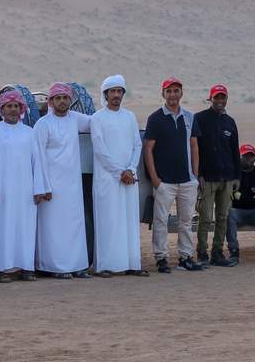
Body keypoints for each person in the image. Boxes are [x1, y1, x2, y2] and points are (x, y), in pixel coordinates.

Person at [0, 90, 50, 281]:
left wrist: (39, 188)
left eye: (16, 106)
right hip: (2, 191)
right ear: (2, 109)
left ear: (21, 109)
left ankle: (26, 267)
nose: (13, 110)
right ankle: (4, 269)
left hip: (26, 191)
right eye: (9, 106)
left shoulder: (29, 133)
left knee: (26, 228)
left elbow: (37, 162)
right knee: (4, 228)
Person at [143, 77, 204, 273]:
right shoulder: (155, 118)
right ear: (163, 94)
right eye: (169, 91)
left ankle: (185, 257)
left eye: (176, 91)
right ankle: (161, 258)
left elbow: (194, 147)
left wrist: (195, 175)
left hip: (187, 180)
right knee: (160, 220)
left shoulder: (189, 117)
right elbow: (148, 149)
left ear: (181, 94)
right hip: (164, 181)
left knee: (186, 220)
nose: (172, 95)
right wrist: (155, 179)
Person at [34, 82, 93, 279]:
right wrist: (43, 186)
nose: (62, 101)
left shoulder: (75, 119)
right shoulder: (43, 124)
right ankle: (55, 268)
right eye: (57, 98)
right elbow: (38, 157)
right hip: (51, 186)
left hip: (72, 186)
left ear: (70, 100)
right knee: (53, 227)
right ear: (50, 101)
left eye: (65, 98)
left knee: (74, 225)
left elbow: (97, 123)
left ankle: (77, 266)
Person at [90, 75, 146, 277]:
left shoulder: (130, 117)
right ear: (106, 95)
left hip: (129, 177)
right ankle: (105, 266)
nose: (116, 95)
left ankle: (132, 264)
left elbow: (136, 144)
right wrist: (119, 172)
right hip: (108, 179)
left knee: (129, 221)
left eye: (119, 91)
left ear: (123, 94)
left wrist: (131, 169)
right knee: (109, 221)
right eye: (112, 92)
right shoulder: (97, 118)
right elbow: (100, 150)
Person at [193, 83, 239, 267]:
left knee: (223, 217)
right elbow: (194, 149)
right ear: (210, 99)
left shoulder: (230, 122)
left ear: (226, 99)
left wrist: (237, 176)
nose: (220, 101)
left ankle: (218, 253)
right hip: (207, 179)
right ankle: (202, 253)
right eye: (216, 97)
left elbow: (235, 152)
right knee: (205, 217)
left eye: (223, 97)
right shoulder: (200, 119)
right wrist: (199, 174)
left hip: (227, 179)